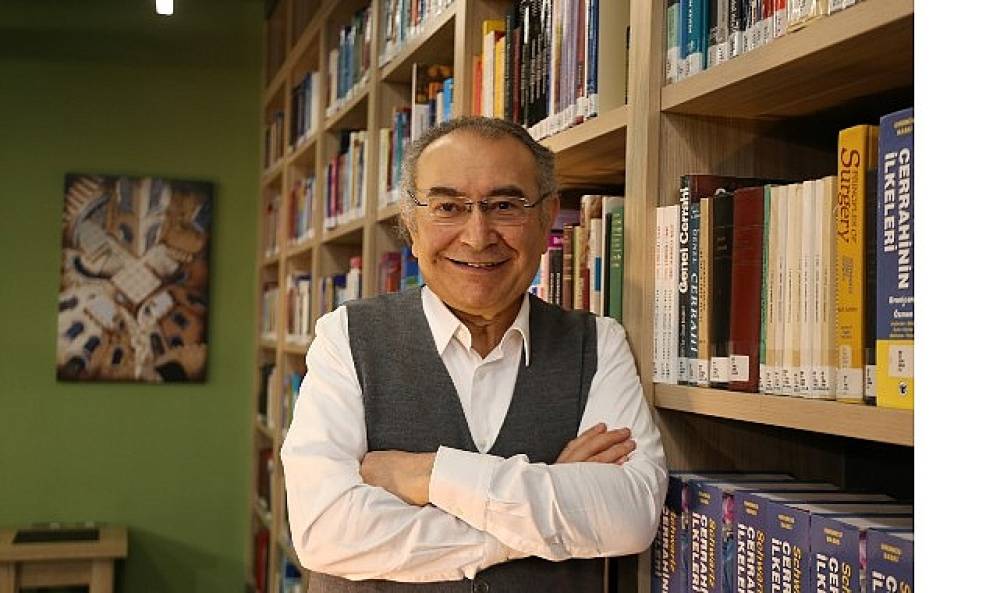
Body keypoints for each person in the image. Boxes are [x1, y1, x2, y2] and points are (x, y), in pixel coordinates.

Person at [281, 116, 668, 593]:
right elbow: (326, 532)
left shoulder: (599, 342)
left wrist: (429, 475)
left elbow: (630, 516)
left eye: (504, 205)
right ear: (411, 224)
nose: (478, 236)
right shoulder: (345, 337)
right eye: (448, 207)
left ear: (547, 217)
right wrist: (548, 510)